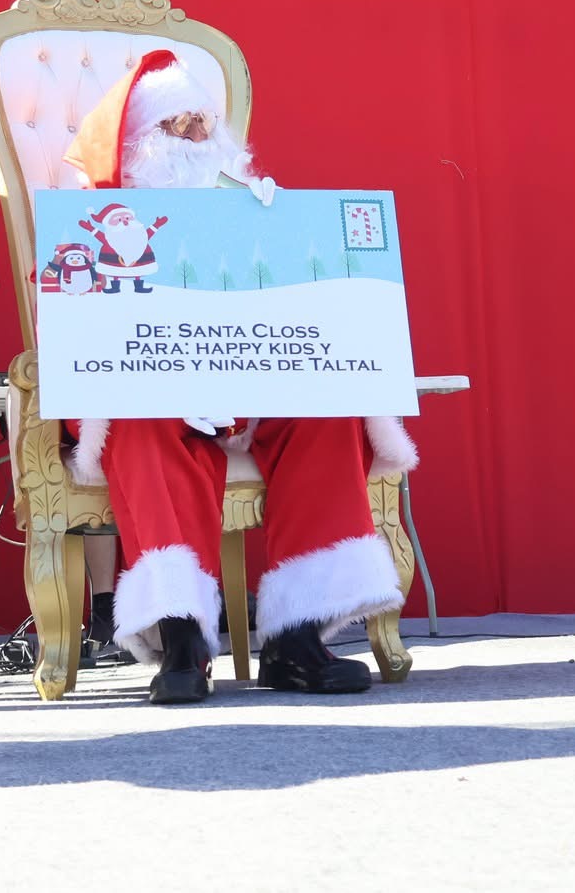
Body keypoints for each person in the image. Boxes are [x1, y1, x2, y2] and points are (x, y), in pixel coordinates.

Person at [61, 51, 418, 703]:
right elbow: (74, 326)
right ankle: (181, 637)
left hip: (255, 385)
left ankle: (298, 636)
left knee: (331, 406)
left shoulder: (261, 211)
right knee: (137, 423)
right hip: (159, 391)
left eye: (206, 122)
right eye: (180, 125)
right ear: (141, 141)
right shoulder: (93, 221)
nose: (200, 137)